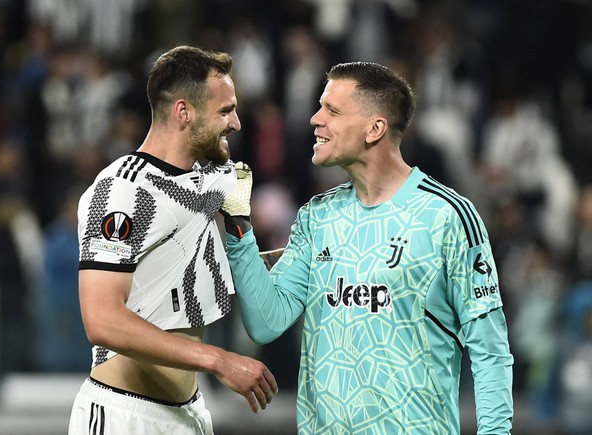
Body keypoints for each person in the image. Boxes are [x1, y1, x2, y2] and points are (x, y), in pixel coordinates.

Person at [221, 61, 514, 434]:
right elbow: (267, 322)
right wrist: (239, 226)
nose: (315, 118)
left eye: (332, 110)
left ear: (375, 129)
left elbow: (489, 350)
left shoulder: (446, 216)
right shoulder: (317, 217)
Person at [68, 45, 277, 435]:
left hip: (189, 414)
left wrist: (311, 257)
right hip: (124, 416)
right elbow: (101, 319)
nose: (236, 124)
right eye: (225, 111)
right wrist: (218, 360)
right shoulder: (123, 192)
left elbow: (198, 271)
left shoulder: (210, 182)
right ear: (184, 111)